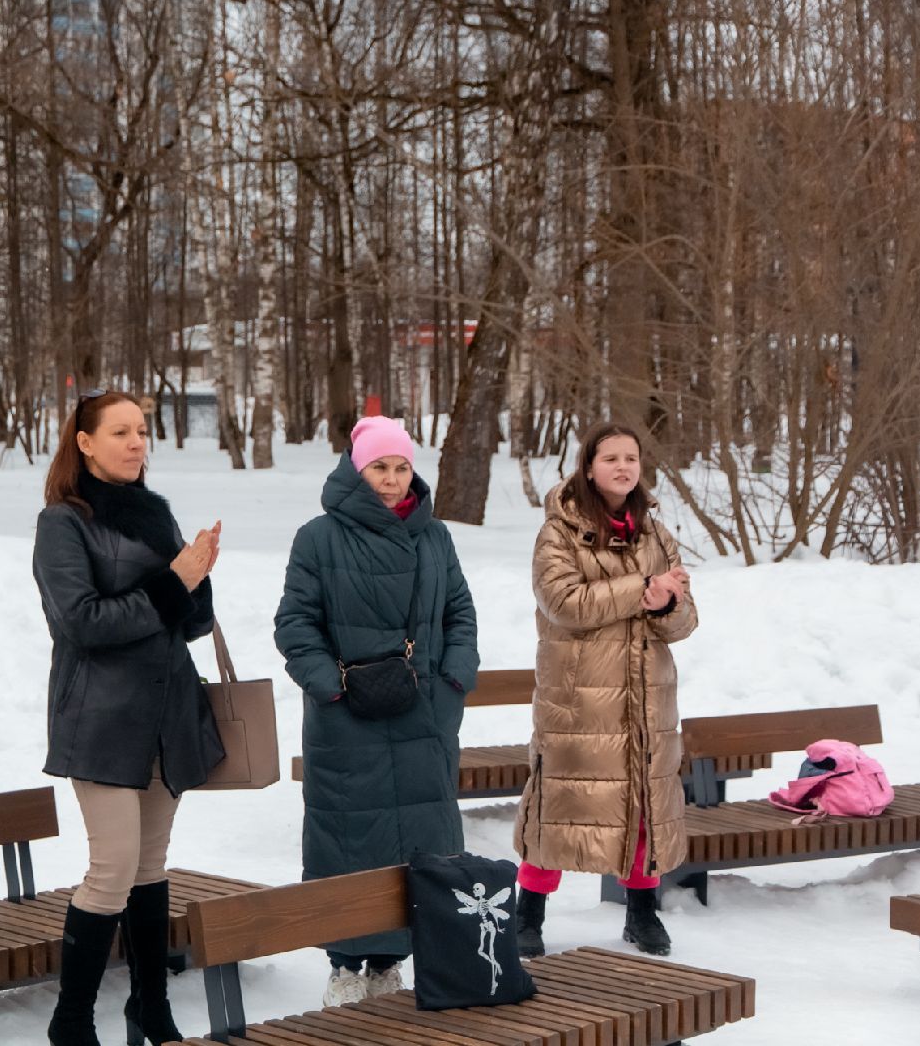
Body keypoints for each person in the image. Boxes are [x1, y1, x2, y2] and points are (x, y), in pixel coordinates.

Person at [32, 389, 224, 1046]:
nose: (138, 442)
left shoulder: (154, 514)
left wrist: (199, 577)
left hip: (167, 715)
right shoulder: (63, 522)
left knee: (150, 866)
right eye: (121, 432)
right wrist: (174, 582)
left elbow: (189, 624)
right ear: (84, 442)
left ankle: (150, 1008)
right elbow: (80, 623)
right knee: (112, 867)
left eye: (142, 431)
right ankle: (72, 1022)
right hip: (104, 718)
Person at [274, 415, 479, 1007]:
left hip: (424, 717)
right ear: (355, 471)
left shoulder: (435, 536)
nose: (392, 480)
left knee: (420, 840)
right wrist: (330, 687)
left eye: (401, 467)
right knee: (347, 837)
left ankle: (391, 960)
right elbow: (295, 624)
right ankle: (344, 963)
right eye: (379, 468)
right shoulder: (318, 537)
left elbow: (459, 614)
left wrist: (454, 679)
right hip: (347, 720)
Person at [512, 422, 696, 959]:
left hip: (646, 695)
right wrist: (644, 590)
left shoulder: (656, 534)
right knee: (559, 806)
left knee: (643, 804)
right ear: (588, 467)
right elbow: (563, 602)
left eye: (631, 458)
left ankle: (641, 914)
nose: (622, 467)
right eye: (610, 458)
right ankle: (529, 916)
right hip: (579, 697)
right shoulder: (559, 531)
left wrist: (667, 604)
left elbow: (684, 621)